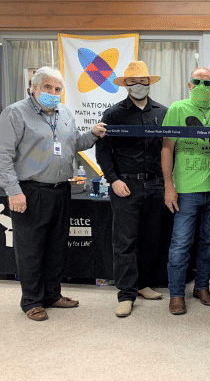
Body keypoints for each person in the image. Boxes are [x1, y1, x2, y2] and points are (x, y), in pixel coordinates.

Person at [0, 66, 106, 321]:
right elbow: (2, 155)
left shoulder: (65, 113)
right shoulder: (14, 113)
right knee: (31, 250)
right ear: (33, 88)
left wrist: (91, 135)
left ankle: (52, 294)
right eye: (47, 87)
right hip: (29, 191)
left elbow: (74, 145)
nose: (53, 92)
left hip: (61, 191)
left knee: (56, 248)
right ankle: (32, 301)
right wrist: (13, 192)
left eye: (57, 89)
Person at [96, 61, 168, 318]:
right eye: (133, 81)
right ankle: (126, 294)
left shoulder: (163, 112)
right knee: (125, 241)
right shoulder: (113, 114)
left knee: (151, 237)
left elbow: (169, 150)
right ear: (125, 84)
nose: (138, 85)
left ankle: (143, 284)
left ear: (150, 82)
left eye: (142, 81)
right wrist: (113, 179)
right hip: (126, 184)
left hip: (156, 184)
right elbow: (103, 152)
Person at [161, 66, 210, 315]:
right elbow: (167, 148)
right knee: (180, 244)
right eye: (196, 81)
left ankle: (202, 287)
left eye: (207, 82)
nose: (202, 86)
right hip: (187, 190)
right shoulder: (177, 109)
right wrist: (169, 185)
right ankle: (176, 294)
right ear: (189, 85)